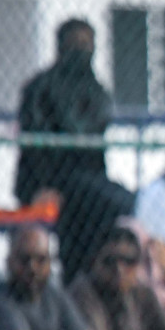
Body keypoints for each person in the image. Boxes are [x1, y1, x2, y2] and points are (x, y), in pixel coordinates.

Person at [13, 18, 111, 209]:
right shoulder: (39, 88)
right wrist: (44, 186)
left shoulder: (97, 91)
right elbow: (34, 145)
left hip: (89, 184)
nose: (81, 50)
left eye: (86, 44)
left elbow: (96, 143)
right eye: (75, 43)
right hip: (41, 183)